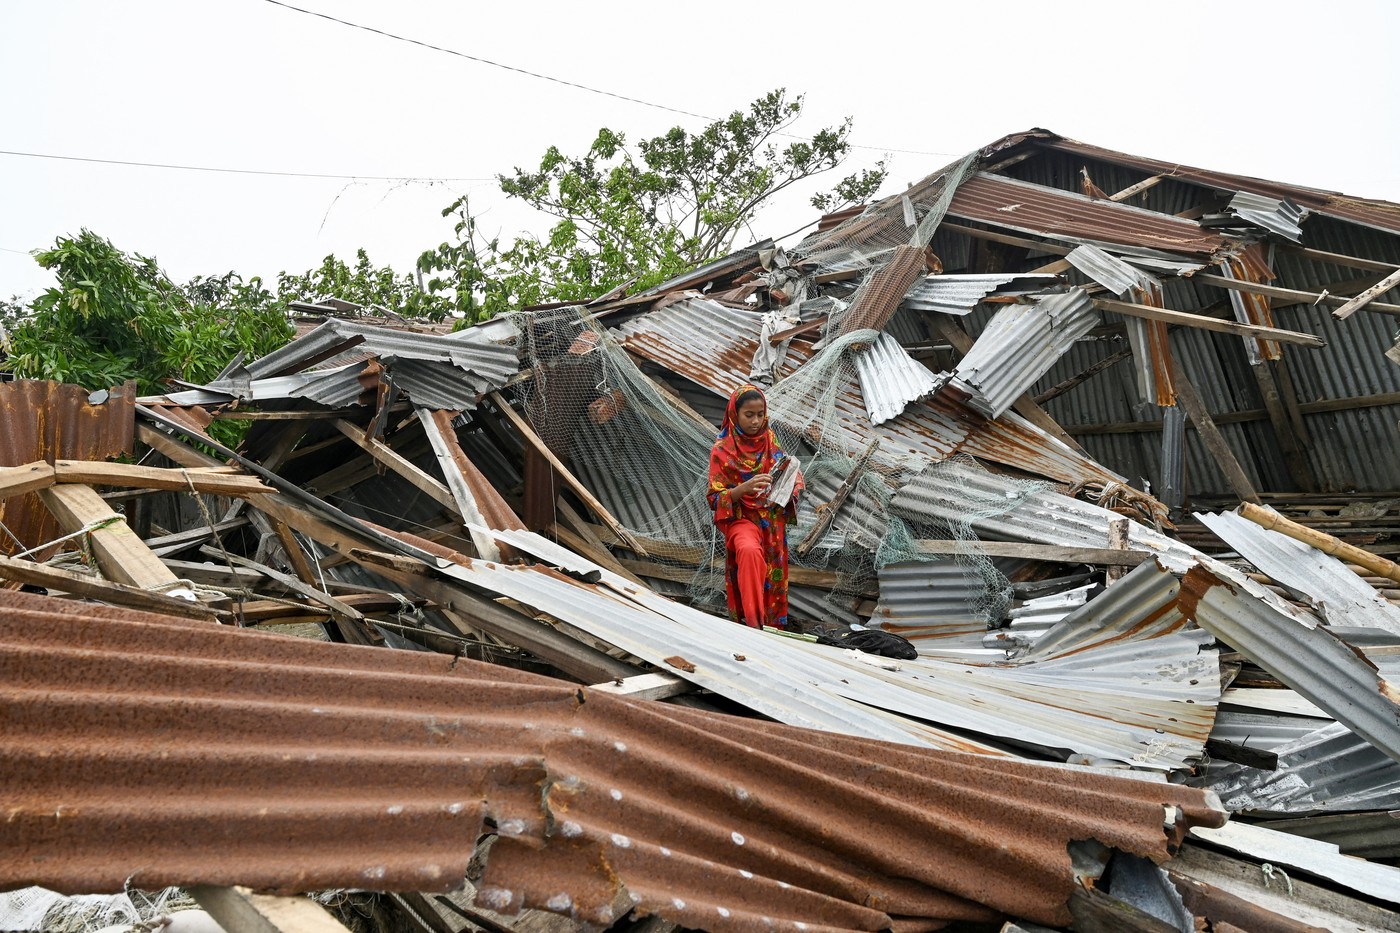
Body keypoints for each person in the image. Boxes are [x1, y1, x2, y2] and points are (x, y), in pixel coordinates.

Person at [707, 384, 804, 629]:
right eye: (749, 415)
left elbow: (786, 469)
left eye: (760, 414)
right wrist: (743, 489)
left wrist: (793, 483)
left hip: (771, 521)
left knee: (772, 574)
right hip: (742, 519)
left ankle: (772, 628)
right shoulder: (722, 450)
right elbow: (714, 498)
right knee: (749, 552)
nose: (756, 421)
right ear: (734, 414)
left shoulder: (769, 439)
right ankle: (752, 625)